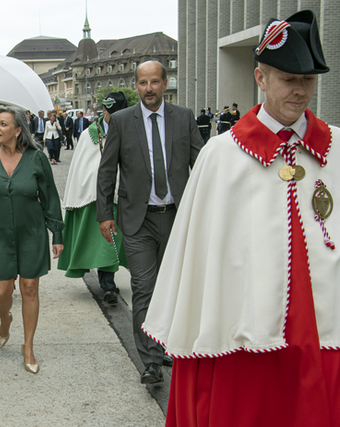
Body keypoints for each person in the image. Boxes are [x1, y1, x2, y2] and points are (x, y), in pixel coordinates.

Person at [143, 11, 339, 425]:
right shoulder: (222, 153)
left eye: (307, 80)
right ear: (260, 77)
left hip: (324, 331)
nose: (300, 90)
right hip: (241, 335)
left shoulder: (337, 149)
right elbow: (198, 255)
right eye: (288, 78)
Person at [97, 60, 203, 384]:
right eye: (142, 83)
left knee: (172, 288)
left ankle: (167, 343)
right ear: (136, 85)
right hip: (137, 220)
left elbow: (201, 164)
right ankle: (151, 361)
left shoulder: (184, 118)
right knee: (143, 287)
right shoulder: (121, 121)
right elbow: (107, 170)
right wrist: (104, 214)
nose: (148, 89)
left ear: (165, 83)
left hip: (177, 217)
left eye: (154, 82)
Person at [0, 107, 64, 374]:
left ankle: (28, 346)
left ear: (18, 130)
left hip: (31, 232)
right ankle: (5, 320)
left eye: (3, 124)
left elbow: (50, 197)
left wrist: (57, 233)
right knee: (0, 291)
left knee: (30, 288)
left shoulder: (36, 159)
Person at [58, 92, 129, 302]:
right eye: (110, 114)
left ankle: (109, 280)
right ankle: (108, 285)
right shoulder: (90, 134)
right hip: (93, 196)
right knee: (104, 241)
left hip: (119, 194)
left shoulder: (129, 130)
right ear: (104, 111)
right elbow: (83, 166)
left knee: (114, 239)